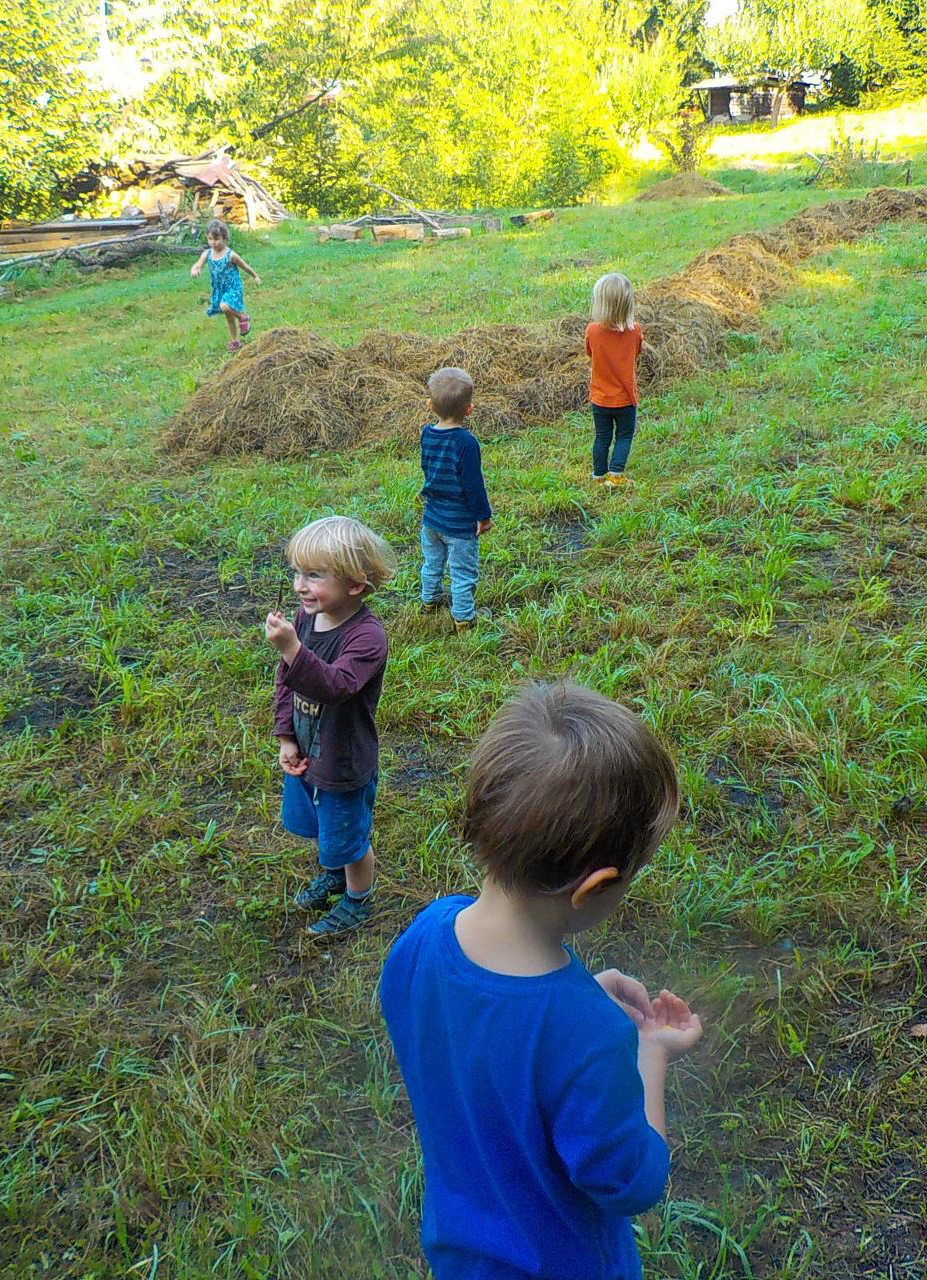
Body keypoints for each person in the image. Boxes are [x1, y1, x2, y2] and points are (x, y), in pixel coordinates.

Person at [380, 682, 703, 1280]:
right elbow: (630, 1181)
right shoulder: (589, 1036)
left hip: (459, 1256)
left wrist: (578, 1001)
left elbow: (481, 1031)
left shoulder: (422, 939)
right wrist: (650, 1052)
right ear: (594, 887)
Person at [264, 516, 397, 937]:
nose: (299, 586)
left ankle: (358, 900)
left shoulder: (367, 637)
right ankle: (336, 875)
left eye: (314, 575)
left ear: (355, 585)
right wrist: (286, 735)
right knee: (326, 829)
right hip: (308, 752)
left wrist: (292, 648)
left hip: (343, 761)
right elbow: (286, 680)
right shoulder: (306, 619)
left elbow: (336, 687)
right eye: (297, 572)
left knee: (350, 840)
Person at [418, 367, 492, 632]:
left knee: (432, 564)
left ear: (430, 405)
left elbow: (428, 468)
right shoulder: (466, 443)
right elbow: (473, 486)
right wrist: (483, 516)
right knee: (462, 573)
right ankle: (464, 619)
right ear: (469, 410)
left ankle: (429, 601)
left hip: (431, 518)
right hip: (459, 524)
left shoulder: (427, 434)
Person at [585, 273, 643, 488]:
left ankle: (599, 476)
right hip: (626, 398)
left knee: (602, 437)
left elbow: (589, 352)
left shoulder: (592, 330)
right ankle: (616, 475)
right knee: (624, 436)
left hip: (600, 397)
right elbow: (637, 351)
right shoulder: (635, 330)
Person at [190, 217, 261, 353]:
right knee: (229, 317)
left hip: (233, 287)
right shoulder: (207, 254)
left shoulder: (230, 255)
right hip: (219, 289)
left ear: (225, 238)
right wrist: (195, 269)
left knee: (224, 306)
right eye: (210, 239)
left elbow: (245, 266)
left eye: (217, 239)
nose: (213, 242)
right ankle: (235, 341)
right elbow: (198, 264)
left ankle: (242, 317)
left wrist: (255, 276)